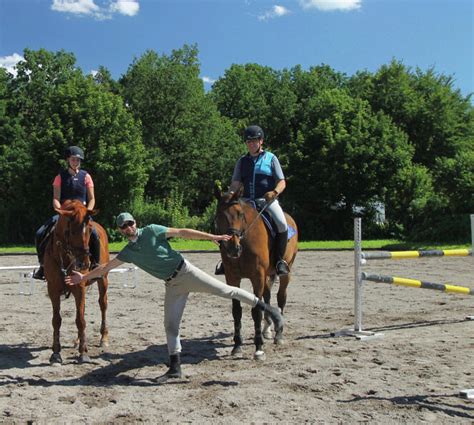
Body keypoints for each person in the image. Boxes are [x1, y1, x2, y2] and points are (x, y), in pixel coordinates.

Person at [64, 212, 284, 381]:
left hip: (186, 272)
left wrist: (213, 237)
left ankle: (269, 310)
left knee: (226, 291)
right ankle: (175, 368)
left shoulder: (151, 230)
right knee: (170, 326)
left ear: (135, 223)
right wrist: (81, 278)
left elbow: (182, 232)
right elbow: (104, 268)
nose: (128, 227)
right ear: (120, 231)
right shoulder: (127, 252)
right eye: (123, 226)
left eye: (130, 223)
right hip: (172, 285)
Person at [216, 125, 290, 276]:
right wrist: (230, 195)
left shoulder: (271, 158)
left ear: (261, 141)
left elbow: (282, 181)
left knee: (282, 223)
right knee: (226, 222)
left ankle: (279, 261)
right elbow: (236, 183)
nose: (251, 144)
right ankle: (226, 262)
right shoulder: (242, 161)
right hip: (246, 201)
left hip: (267, 200)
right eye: (249, 141)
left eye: (254, 141)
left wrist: (275, 192)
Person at [33, 146, 101, 280]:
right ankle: (42, 266)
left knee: (94, 234)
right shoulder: (59, 177)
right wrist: (60, 211)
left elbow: (92, 198)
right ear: (68, 160)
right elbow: (56, 198)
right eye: (73, 159)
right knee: (40, 233)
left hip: (82, 214)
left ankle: (95, 265)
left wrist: (87, 212)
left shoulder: (86, 176)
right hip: (65, 213)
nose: (75, 162)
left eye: (78, 160)